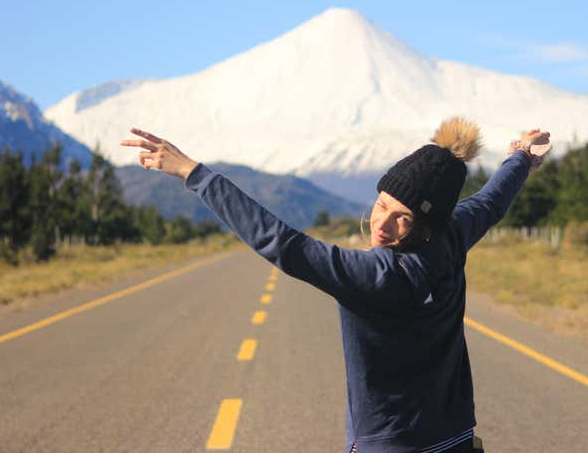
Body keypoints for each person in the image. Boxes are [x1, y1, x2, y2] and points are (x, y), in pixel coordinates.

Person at [121, 117, 550, 453]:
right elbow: (491, 200)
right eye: (382, 204)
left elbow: (282, 244)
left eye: (402, 218)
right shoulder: (451, 236)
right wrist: (521, 157)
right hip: (455, 437)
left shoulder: (374, 276)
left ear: (424, 226)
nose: (382, 224)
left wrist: (194, 173)